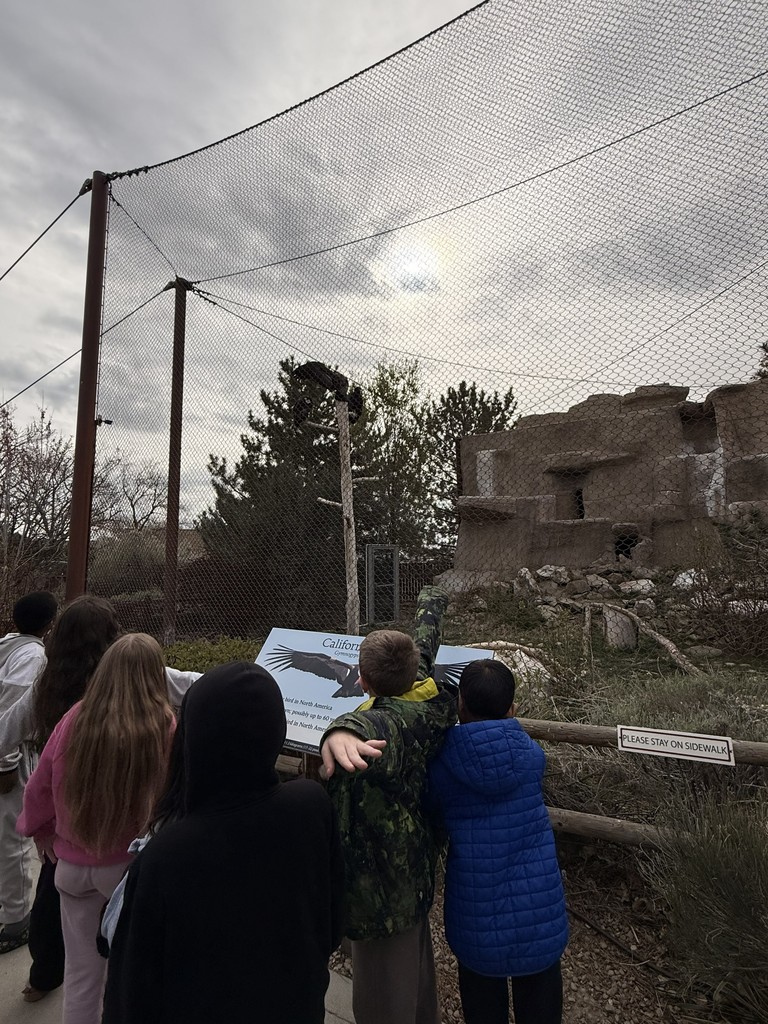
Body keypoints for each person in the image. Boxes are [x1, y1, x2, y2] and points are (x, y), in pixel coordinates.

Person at [103, 662, 345, 1024]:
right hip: (297, 1005)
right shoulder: (312, 805)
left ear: (195, 735)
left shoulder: (165, 855)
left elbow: (132, 992)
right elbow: (332, 921)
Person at [0, 595, 200, 1003]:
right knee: (125, 952)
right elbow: (194, 687)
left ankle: (42, 978)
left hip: (68, 840)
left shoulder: (53, 690)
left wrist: (39, 831)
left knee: (62, 928)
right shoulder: (147, 682)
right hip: (123, 845)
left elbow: (28, 763)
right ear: (110, 636)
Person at [17, 633, 177, 1024]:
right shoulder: (164, 725)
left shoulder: (76, 717)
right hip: (125, 874)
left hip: (70, 869)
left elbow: (39, 784)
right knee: (127, 976)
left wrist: (40, 831)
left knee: (81, 975)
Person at [319, 586, 455, 1024]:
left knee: (380, 1000)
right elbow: (425, 648)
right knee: (415, 982)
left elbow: (372, 724)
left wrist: (342, 731)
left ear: (363, 681)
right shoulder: (426, 698)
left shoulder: (386, 725)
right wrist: (433, 602)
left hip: (380, 891)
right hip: (411, 872)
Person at [428, 658, 568, 1024]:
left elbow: (430, 811)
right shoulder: (531, 756)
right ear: (512, 708)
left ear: (460, 704)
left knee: (482, 1002)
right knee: (541, 1000)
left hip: (476, 902)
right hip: (539, 904)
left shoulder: (443, 764)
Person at [0, 591, 57, 954]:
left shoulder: (7, 646)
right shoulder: (33, 656)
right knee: (14, 837)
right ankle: (17, 919)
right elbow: (10, 715)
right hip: (10, 759)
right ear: (49, 624)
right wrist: (4, 764)